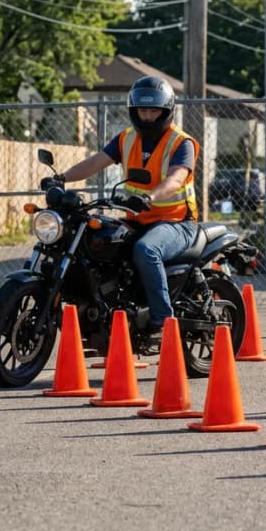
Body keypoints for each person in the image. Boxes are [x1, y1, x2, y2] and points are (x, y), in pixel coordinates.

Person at [57, 76, 199, 347]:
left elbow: (176, 179)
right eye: (142, 110)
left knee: (146, 250)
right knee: (95, 241)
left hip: (177, 222)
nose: (147, 116)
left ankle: (162, 321)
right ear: (134, 111)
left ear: (166, 111)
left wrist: (150, 197)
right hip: (136, 219)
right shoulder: (126, 138)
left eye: (153, 110)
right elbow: (95, 162)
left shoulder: (182, 143)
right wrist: (61, 178)